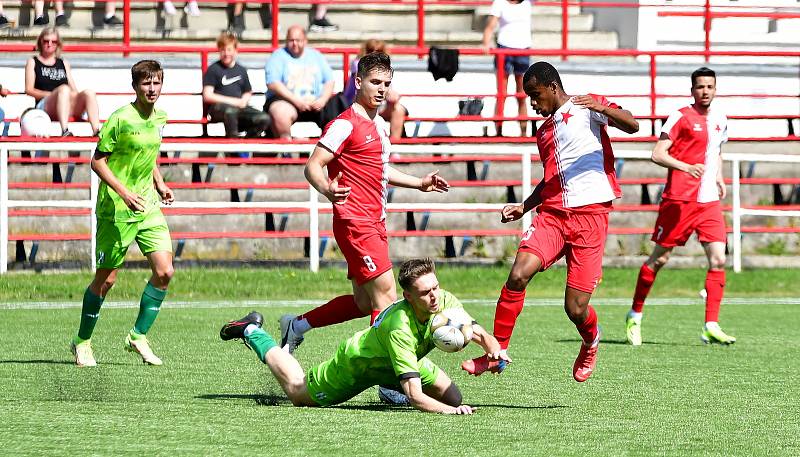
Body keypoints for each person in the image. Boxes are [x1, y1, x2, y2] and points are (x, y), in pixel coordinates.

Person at [462, 61, 639, 382]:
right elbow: (551, 180)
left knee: (575, 309)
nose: (532, 103)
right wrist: (525, 206)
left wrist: (601, 107)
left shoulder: (588, 106)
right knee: (518, 274)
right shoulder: (543, 133)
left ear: (553, 88)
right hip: (553, 216)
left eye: (535, 95)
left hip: (590, 217)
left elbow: (633, 125)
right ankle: (496, 352)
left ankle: (591, 340)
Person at [279, 51, 450, 357]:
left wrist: (419, 183)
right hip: (355, 222)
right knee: (385, 295)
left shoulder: (380, 128)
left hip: (375, 221)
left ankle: (296, 326)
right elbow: (313, 166)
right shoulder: (345, 124)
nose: (382, 89)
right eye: (375, 82)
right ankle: (387, 378)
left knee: (364, 303)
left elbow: (382, 171)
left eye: (386, 83)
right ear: (358, 82)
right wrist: (326, 189)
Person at [220, 258, 508, 413]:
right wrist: (446, 414)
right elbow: (415, 396)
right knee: (297, 392)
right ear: (408, 296)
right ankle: (252, 330)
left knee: (454, 398)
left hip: (399, 362)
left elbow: (476, 331)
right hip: (358, 364)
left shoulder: (443, 299)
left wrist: (494, 350)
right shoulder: (400, 328)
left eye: (435, 287)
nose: (434, 296)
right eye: (425, 292)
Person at [70, 60, 175, 368]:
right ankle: (82, 341)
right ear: (135, 86)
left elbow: (149, 154)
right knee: (107, 279)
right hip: (116, 208)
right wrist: (124, 193)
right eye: (146, 83)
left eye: (156, 83)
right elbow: (97, 162)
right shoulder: (120, 119)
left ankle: (138, 336)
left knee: (165, 271)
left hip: (148, 205)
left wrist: (160, 182)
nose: (152, 88)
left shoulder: (160, 118)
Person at [626, 67, 735, 346]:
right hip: (680, 200)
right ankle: (635, 314)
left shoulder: (721, 118)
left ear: (716, 88)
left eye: (710, 86)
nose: (705, 91)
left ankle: (711, 324)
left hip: (709, 201)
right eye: (700, 87)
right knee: (659, 259)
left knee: (719, 259)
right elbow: (657, 154)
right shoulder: (680, 117)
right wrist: (686, 167)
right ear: (692, 90)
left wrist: (719, 177)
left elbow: (717, 152)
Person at [24, 27, 100, 136]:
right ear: (41, 42)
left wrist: (69, 96)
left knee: (89, 93)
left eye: (53, 41)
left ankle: (96, 131)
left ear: (58, 44)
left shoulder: (63, 62)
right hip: (44, 104)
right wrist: (54, 95)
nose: (49, 44)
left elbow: (74, 89)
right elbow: (29, 90)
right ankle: (64, 130)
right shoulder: (33, 62)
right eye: (46, 41)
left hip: (64, 102)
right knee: (64, 90)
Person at [263, 25, 334, 139]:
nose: (295, 44)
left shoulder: (316, 55)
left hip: (315, 103)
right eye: (291, 40)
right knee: (279, 111)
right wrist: (297, 102)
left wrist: (322, 100)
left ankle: (329, 150)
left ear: (305, 41)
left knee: (336, 108)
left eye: (298, 40)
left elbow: (329, 81)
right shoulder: (278, 56)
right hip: (288, 101)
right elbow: (273, 83)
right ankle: (287, 149)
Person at [202, 31, 271, 139]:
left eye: (229, 49)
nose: (226, 53)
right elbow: (208, 95)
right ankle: (233, 148)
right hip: (219, 109)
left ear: (235, 50)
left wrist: (243, 100)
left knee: (264, 118)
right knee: (231, 111)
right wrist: (235, 102)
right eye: (223, 50)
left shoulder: (241, 70)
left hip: (239, 108)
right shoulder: (213, 69)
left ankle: (246, 145)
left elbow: (248, 91)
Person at [482, 0, 532, 137]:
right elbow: (490, 25)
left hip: (523, 49)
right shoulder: (500, 3)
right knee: (501, 93)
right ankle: (498, 132)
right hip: (504, 48)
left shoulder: (527, 2)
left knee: (522, 94)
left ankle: (523, 132)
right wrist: (486, 42)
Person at [343, 39, 407, 141]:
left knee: (398, 109)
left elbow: (387, 90)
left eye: (379, 51)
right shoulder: (358, 64)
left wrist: (392, 96)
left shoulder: (385, 67)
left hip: (378, 104)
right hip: (356, 103)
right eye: (371, 50)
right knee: (370, 102)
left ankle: (394, 148)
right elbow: (366, 90)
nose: (374, 53)